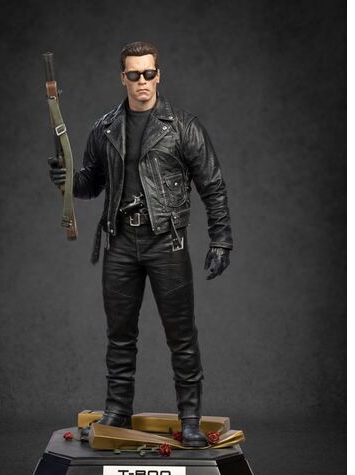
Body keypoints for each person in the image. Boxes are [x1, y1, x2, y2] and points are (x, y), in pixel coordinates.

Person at [49, 41, 232, 447]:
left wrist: (221, 239)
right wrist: (66, 178)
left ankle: (189, 419)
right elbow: (91, 185)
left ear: (158, 75)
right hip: (119, 242)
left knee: (181, 335)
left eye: (149, 73)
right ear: (123, 78)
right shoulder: (105, 128)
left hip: (166, 242)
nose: (142, 82)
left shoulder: (182, 126)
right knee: (119, 334)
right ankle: (117, 410)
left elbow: (213, 185)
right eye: (134, 75)